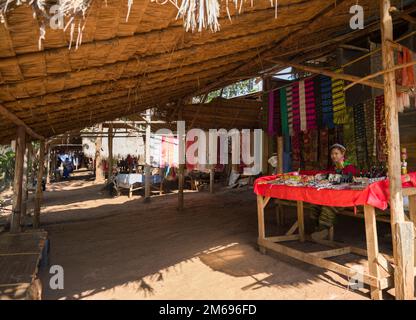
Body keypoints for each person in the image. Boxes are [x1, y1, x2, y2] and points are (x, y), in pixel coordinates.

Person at [309, 143, 359, 240]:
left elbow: (350, 178)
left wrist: (330, 177)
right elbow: (328, 176)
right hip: (332, 194)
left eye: (336, 153)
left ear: (342, 154)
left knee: (328, 205)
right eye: (332, 154)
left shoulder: (349, 167)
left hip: (345, 196)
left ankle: (323, 229)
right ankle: (317, 228)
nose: (333, 156)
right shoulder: (333, 168)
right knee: (314, 203)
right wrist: (321, 177)